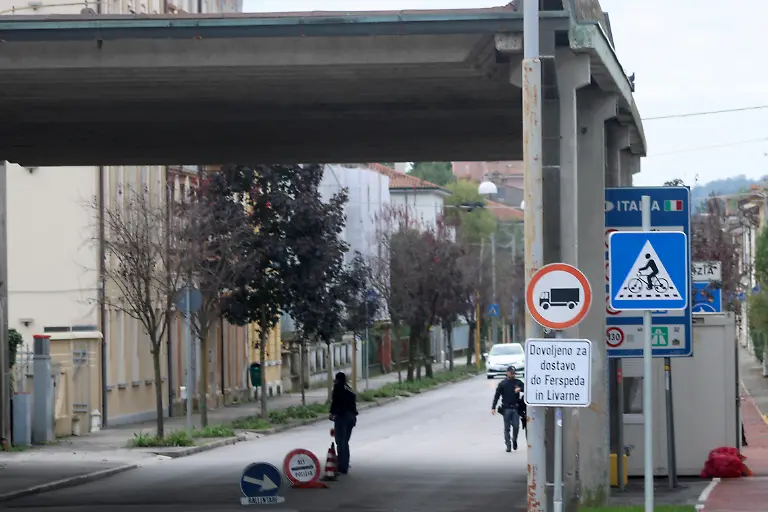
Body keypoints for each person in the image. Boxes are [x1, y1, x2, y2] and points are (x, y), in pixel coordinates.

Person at [329, 371, 358, 474]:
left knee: (340, 442)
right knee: (345, 441)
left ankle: (342, 466)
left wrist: (332, 414)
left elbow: (335, 403)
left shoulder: (338, 389)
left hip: (342, 418)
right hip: (351, 418)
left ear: (337, 380)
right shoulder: (349, 390)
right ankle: (345, 463)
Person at [491, 366, 524, 452]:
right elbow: (497, 396)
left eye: (513, 373)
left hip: (515, 408)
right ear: (507, 372)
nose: (512, 374)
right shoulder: (503, 384)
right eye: (511, 372)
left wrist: (520, 389)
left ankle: (514, 440)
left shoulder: (518, 382)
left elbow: (527, 389)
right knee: (507, 428)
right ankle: (508, 445)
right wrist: (493, 407)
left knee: (516, 426)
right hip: (506, 409)